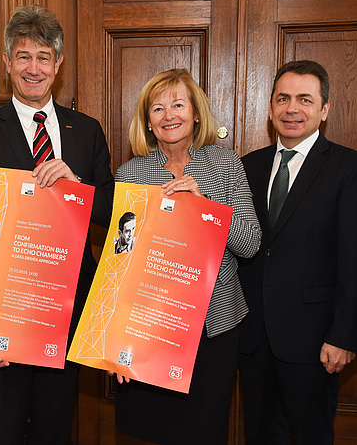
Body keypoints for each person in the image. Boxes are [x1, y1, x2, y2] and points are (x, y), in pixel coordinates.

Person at [0, 5, 115, 444]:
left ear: (58, 64)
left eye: (43, 57)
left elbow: (109, 208)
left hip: (66, 310)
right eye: (23, 56)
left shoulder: (86, 131)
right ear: (7, 62)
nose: (33, 68)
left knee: (54, 428)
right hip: (6, 315)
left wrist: (76, 185)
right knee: (4, 430)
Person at [114, 68, 261, 444]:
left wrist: (204, 209)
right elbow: (120, 263)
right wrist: (118, 342)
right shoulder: (129, 174)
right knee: (151, 431)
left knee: (204, 431)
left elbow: (250, 243)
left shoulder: (226, 164)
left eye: (178, 104)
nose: (169, 116)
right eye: (158, 108)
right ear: (147, 121)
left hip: (214, 331)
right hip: (149, 329)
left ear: (196, 112)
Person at [235, 60, 357, 444]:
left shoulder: (353, 170)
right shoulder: (248, 166)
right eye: (282, 99)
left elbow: (356, 260)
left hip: (315, 340)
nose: (291, 109)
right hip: (253, 335)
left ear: (324, 109)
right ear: (269, 108)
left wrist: (345, 335)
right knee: (260, 435)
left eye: (304, 99)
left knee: (311, 436)